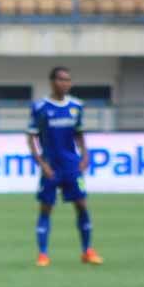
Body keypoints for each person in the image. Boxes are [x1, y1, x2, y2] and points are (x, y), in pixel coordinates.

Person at [28, 66, 103, 267]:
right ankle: (43, 254)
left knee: (82, 206)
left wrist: (85, 155)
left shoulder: (76, 106)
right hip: (51, 167)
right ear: (52, 82)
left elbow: (79, 133)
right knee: (46, 209)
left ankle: (87, 251)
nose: (66, 83)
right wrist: (41, 163)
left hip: (71, 166)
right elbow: (31, 137)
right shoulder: (40, 107)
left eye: (68, 80)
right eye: (62, 79)